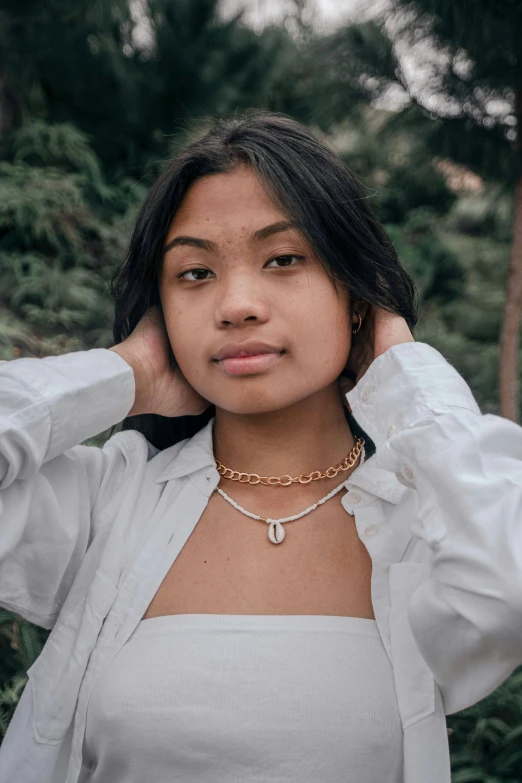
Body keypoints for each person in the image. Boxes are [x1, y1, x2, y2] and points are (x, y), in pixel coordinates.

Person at [0, 110, 521, 783]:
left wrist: (400, 369)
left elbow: (507, 586)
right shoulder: (107, 504)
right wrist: (129, 374)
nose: (237, 304)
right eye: (194, 273)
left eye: (284, 259)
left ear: (354, 296)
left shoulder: (422, 524)